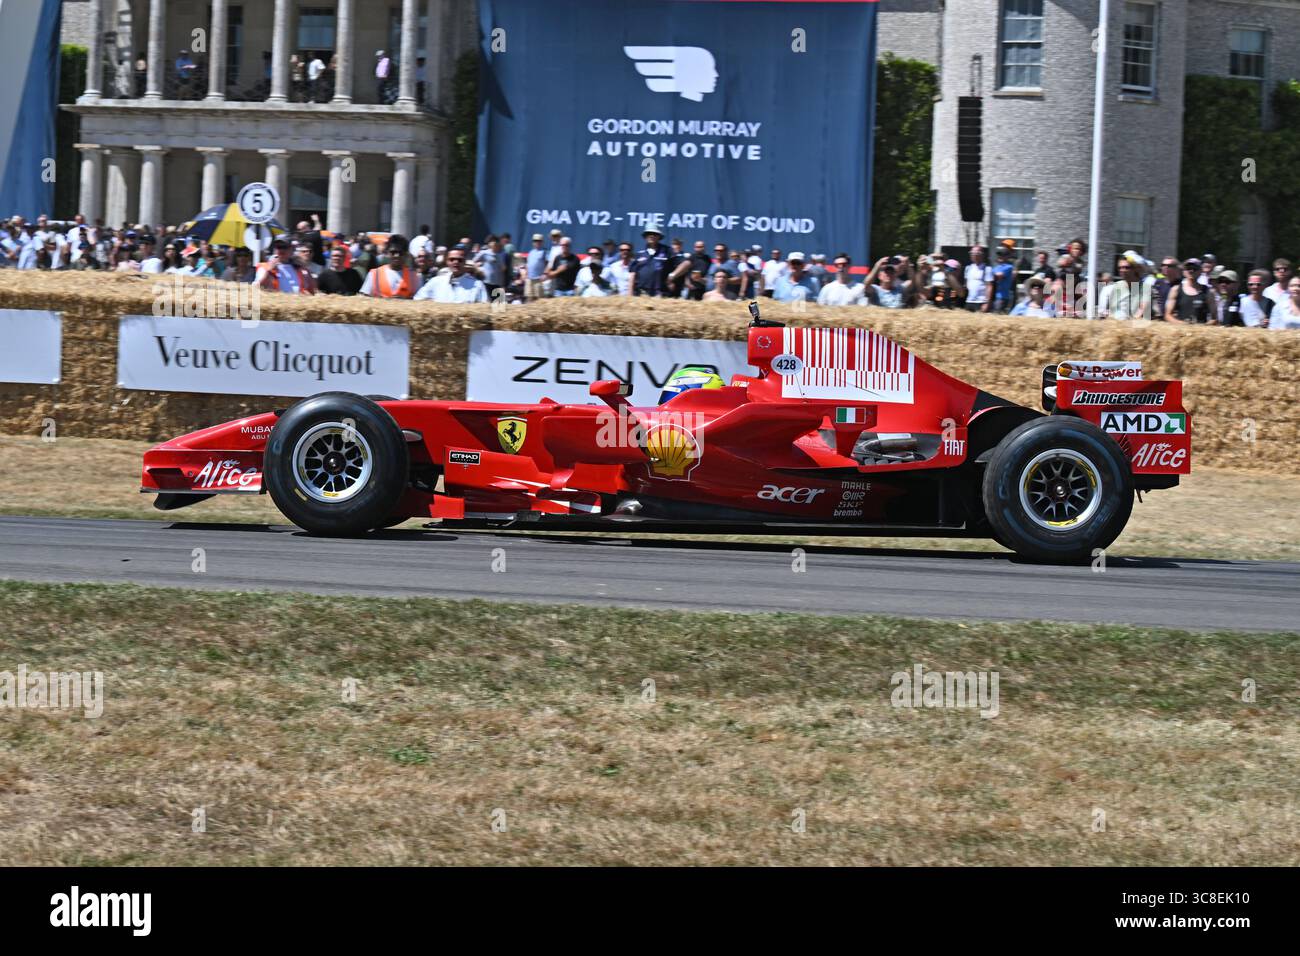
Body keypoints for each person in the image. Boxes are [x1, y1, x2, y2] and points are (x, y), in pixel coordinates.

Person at [414, 247, 488, 302]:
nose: (456, 262)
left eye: (460, 260)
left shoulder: (478, 285)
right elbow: (418, 299)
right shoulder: (435, 282)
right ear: (447, 262)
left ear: (464, 262)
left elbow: (484, 307)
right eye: (452, 259)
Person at [1101, 255, 1153, 320]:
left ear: (1135, 269)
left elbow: (1141, 312)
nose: (1122, 270)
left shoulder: (1146, 288)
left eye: (1126, 267)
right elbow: (1106, 312)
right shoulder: (1115, 287)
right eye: (1120, 268)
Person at [631, 228, 668, 296]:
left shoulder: (667, 251)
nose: (652, 236)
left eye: (655, 234)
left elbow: (677, 265)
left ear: (659, 236)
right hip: (641, 292)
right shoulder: (639, 254)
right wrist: (629, 294)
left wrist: (672, 277)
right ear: (645, 236)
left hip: (659, 293)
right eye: (649, 234)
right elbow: (632, 274)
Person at [963, 245, 994, 312]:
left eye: (977, 253)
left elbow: (989, 286)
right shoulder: (968, 268)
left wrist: (986, 303)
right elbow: (965, 285)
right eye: (972, 253)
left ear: (982, 255)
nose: (974, 255)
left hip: (980, 302)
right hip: (969, 301)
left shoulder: (987, 269)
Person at [991, 246, 1017, 312]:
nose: (1000, 256)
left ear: (1007, 257)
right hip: (994, 296)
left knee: (997, 315)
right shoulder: (997, 267)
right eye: (999, 254)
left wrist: (989, 273)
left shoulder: (1009, 267)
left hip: (1002, 297)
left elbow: (998, 276)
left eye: (1002, 255)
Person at [524, 233, 548, 300]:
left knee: (539, 299)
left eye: (539, 241)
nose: (537, 242)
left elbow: (548, 264)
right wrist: (525, 273)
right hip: (529, 279)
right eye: (535, 241)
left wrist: (545, 274)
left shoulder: (544, 252)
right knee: (529, 298)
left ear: (542, 242)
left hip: (538, 279)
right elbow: (528, 264)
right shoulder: (531, 252)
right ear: (533, 242)